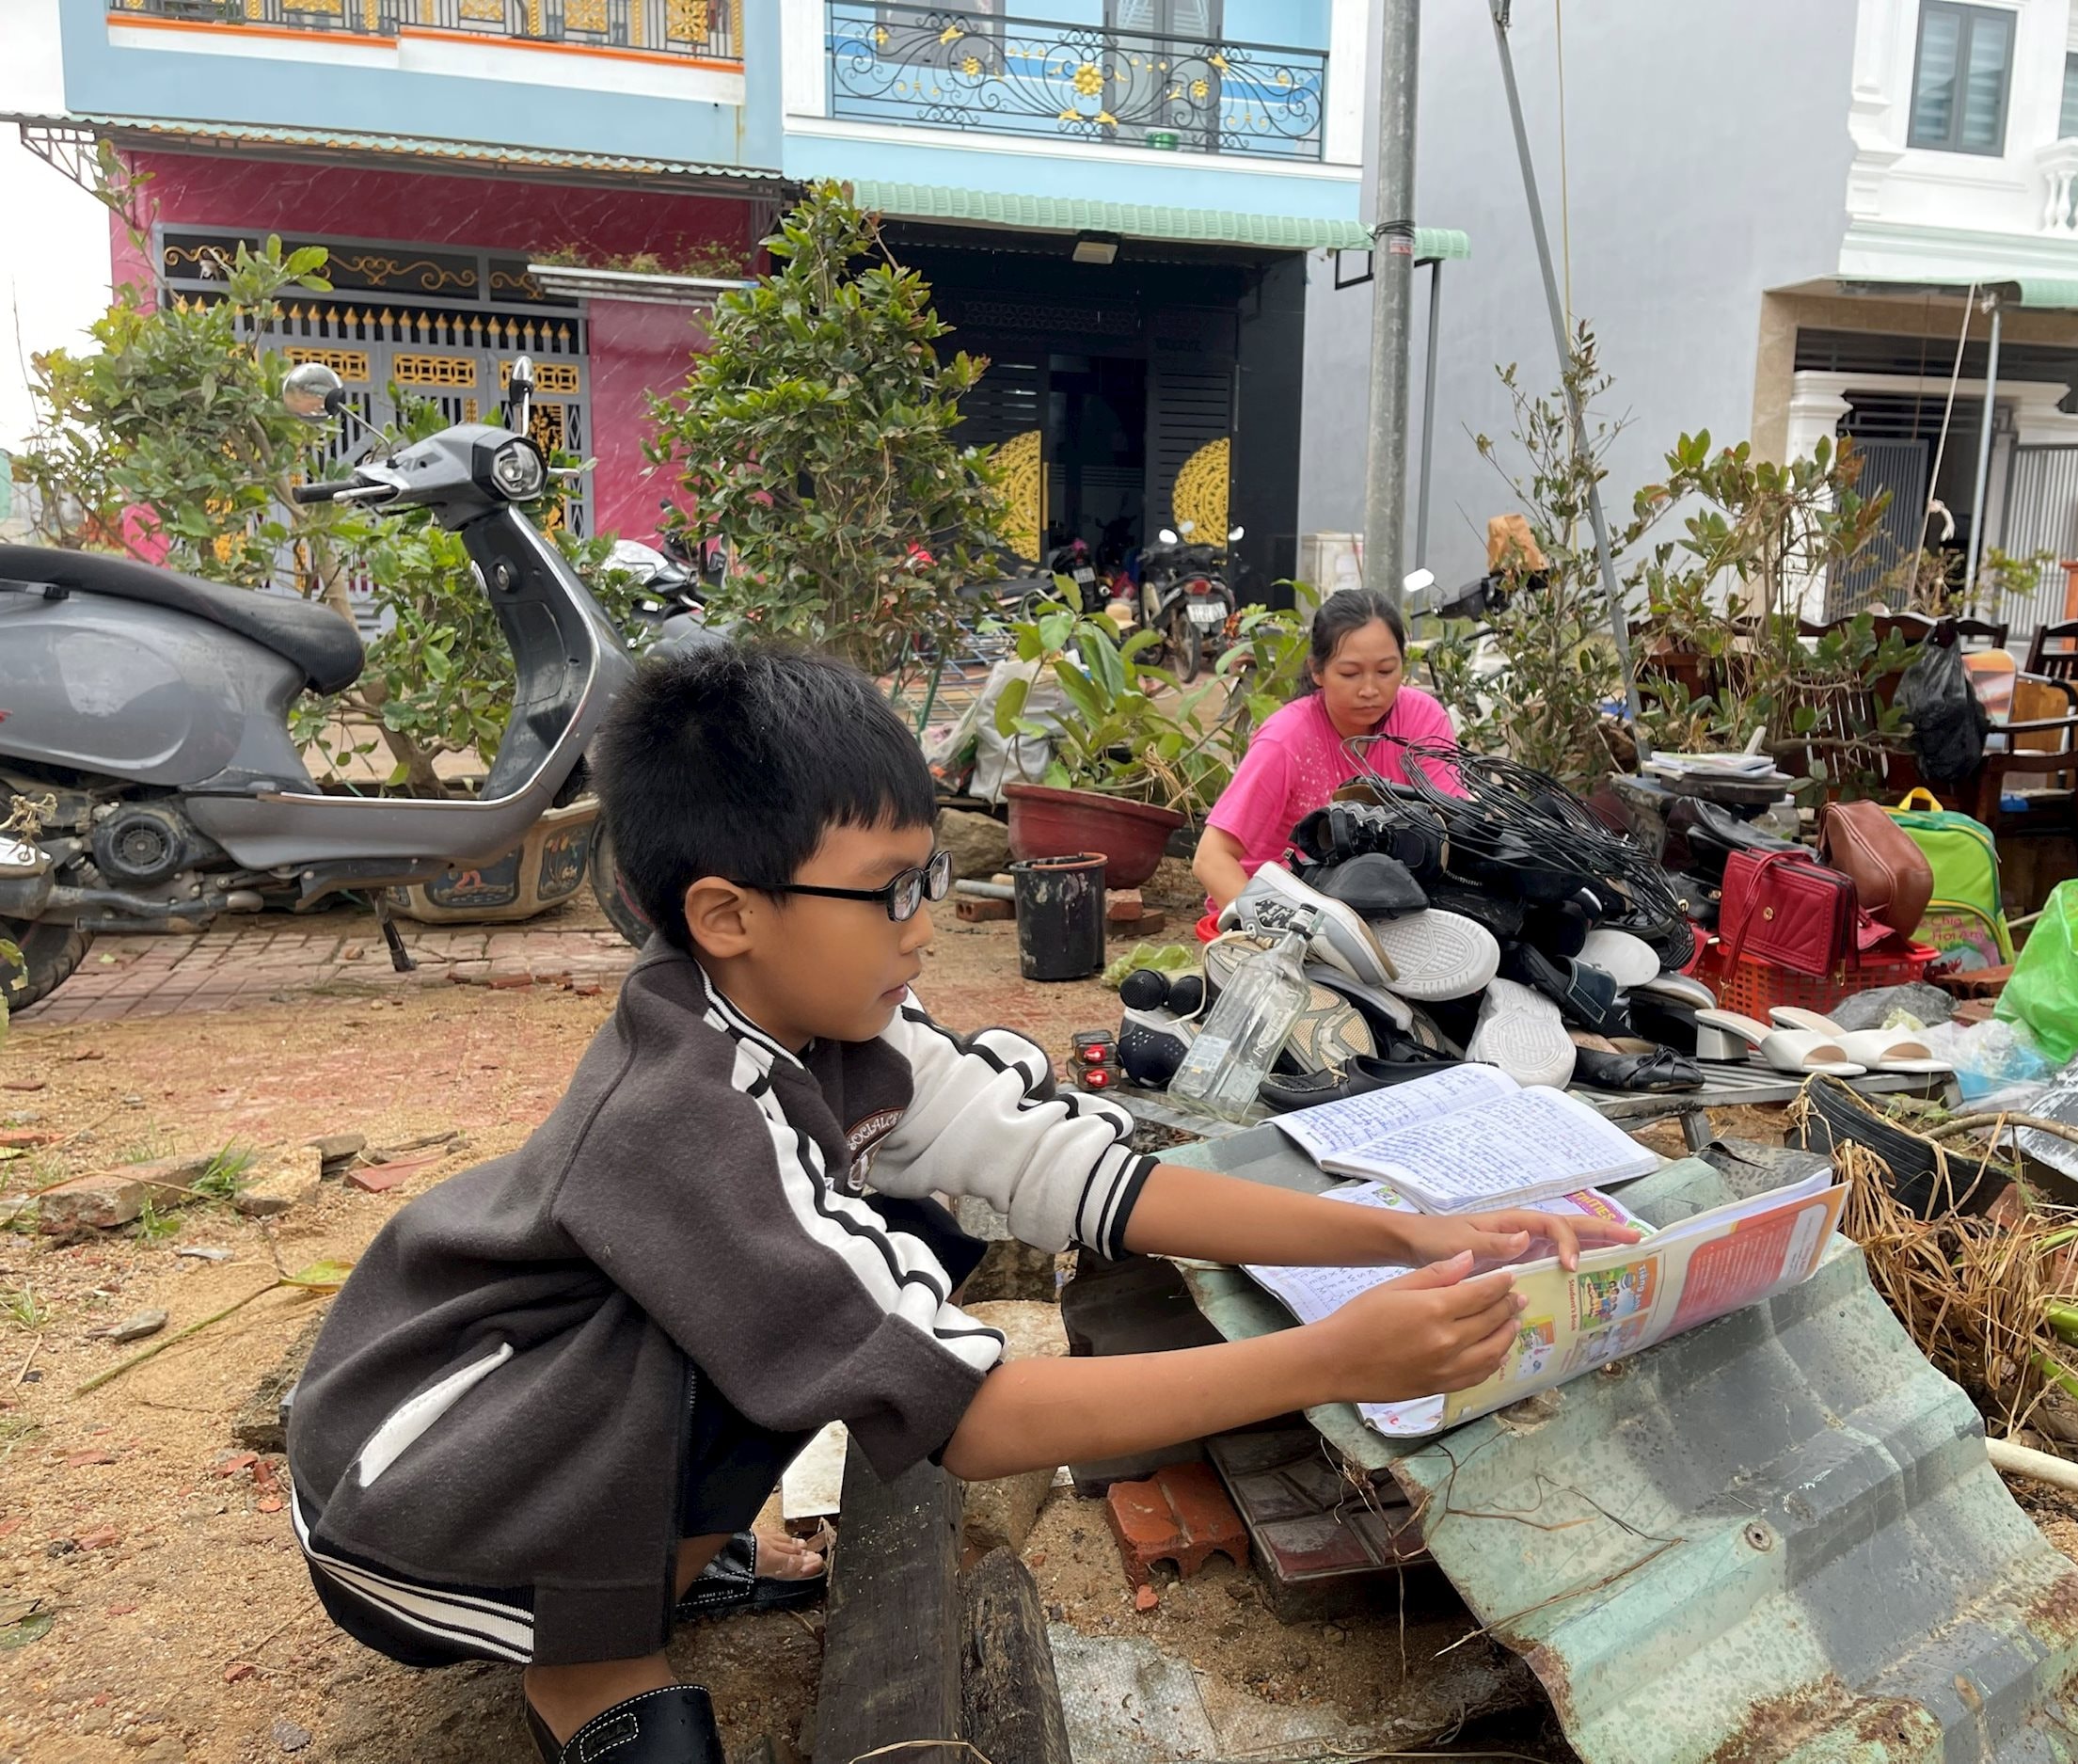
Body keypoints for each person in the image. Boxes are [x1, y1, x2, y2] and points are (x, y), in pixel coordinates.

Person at [285, 642, 1631, 1764]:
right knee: (839, 1291)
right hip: (422, 1498)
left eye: (927, 876)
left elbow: (1076, 1176)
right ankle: (590, 1654)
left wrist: (1405, 1226)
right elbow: (974, 1420)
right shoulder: (685, 1117)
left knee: (920, 1224)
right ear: (727, 914)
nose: (925, 924)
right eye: (888, 893)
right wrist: (1332, 1357)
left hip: (528, 1405)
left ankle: (674, 1545)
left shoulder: (837, 1026)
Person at [1194, 589, 1456, 912]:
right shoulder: (1286, 739)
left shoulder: (1423, 719)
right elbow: (1211, 858)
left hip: (1382, 908)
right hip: (1276, 913)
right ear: (1317, 670)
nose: (1370, 689)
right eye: (1350, 674)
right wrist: (1273, 924)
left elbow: (1454, 827)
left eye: (1386, 671)